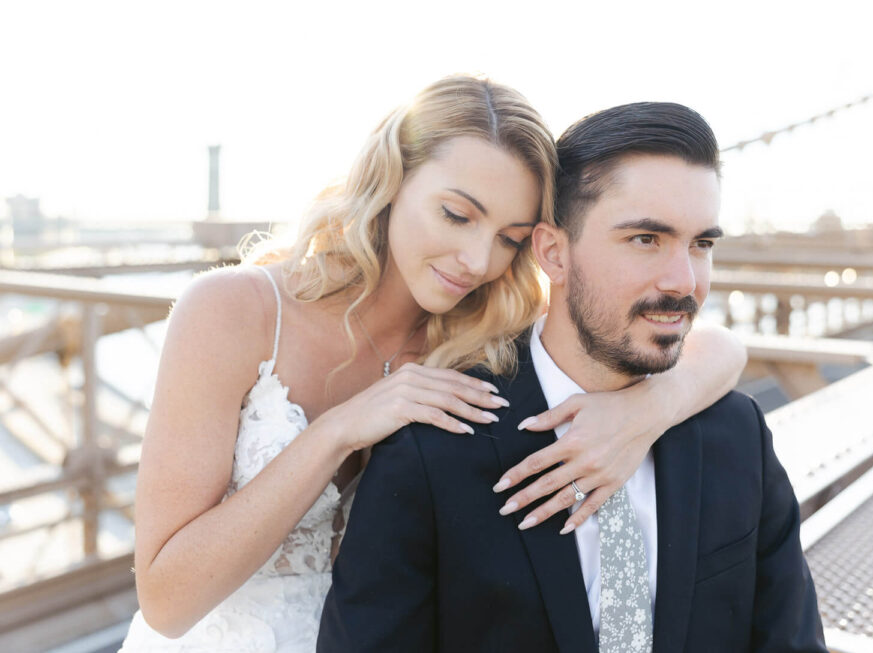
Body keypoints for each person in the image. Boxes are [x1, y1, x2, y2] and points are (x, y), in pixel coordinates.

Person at [119, 78, 746, 652]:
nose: (476, 260)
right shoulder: (233, 309)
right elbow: (168, 603)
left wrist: (642, 412)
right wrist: (339, 430)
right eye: (456, 214)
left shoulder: (477, 341)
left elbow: (720, 348)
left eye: (508, 238)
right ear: (392, 181)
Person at [317, 102, 826, 652]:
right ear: (553, 254)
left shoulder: (737, 434)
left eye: (701, 244)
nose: (684, 282)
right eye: (645, 239)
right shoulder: (432, 449)